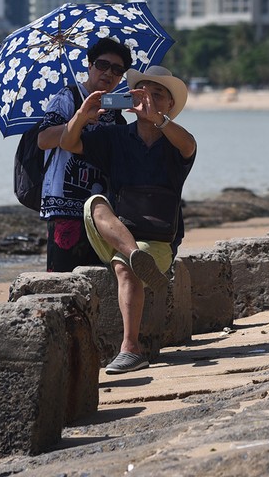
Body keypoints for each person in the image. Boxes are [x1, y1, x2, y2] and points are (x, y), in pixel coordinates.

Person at [59, 65, 197, 375]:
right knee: (95, 203)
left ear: (170, 106)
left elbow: (190, 145)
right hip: (120, 231)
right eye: (142, 93)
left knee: (124, 266)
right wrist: (82, 115)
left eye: (157, 95)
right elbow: (68, 143)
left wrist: (158, 121)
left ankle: (131, 349)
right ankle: (135, 255)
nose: (148, 99)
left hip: (160, 239)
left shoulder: (175, 141)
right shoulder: (115, 137)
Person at [35, 37, 134, 272]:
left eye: (117, 70)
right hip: (65, 205)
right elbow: (43, 139)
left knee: (97, 277)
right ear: (89, 66)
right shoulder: (67, 98)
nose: (109, 73)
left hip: (103, 211)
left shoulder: (115, 113)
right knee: (62, 277)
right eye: (102, 65)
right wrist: (80, 118)